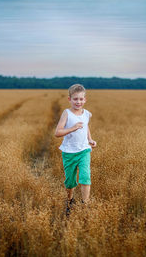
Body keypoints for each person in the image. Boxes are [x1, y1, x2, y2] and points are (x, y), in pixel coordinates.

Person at [54, 84, 97, 216]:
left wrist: (90, 139)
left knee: (85, 177)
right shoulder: (66, 114)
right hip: (69, 153)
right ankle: (70, 200)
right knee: (70, 181)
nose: (78, 102)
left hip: (84, 150)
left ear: (85, 100)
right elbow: (57, 132)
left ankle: (85, 205)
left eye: (81, 99)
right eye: (75, 99)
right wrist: (72, 128)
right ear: (69, 99)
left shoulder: (86, 114)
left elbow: (86, 128)